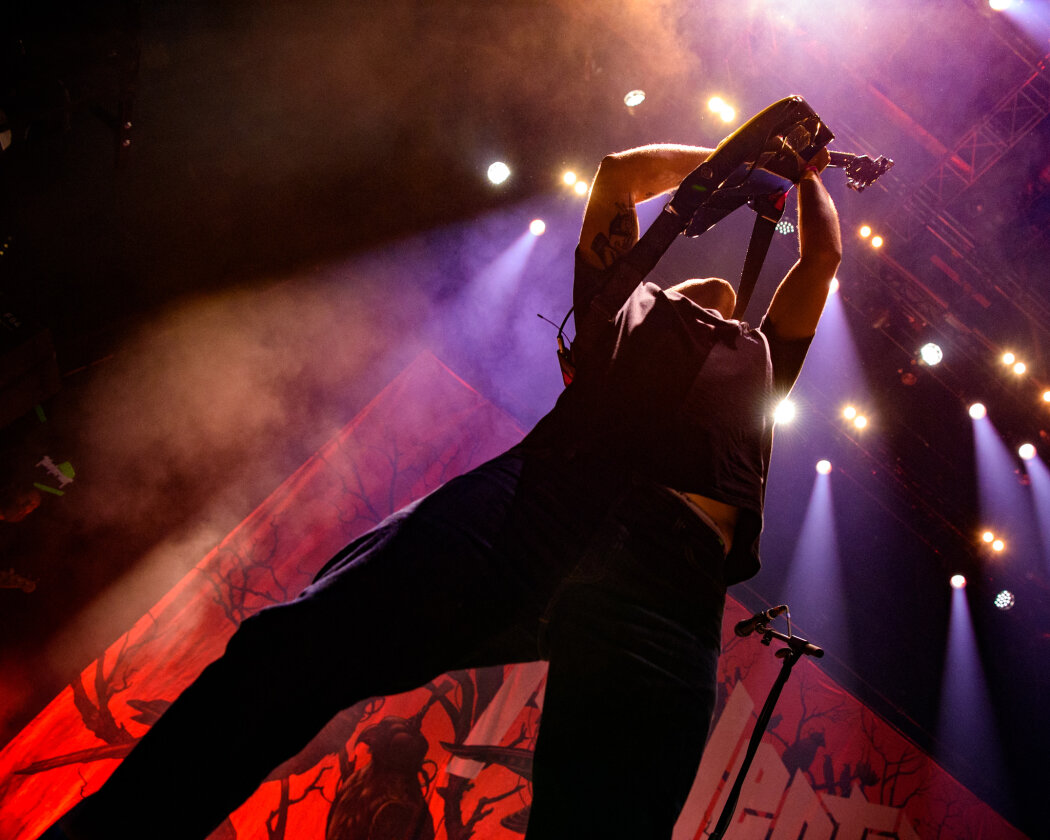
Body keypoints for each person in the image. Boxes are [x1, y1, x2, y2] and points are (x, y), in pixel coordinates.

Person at [42, 138, 840, 840]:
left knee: (612, 820)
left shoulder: (765, 359)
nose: (713, 294)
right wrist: (735, 155)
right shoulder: (622, 307)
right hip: (547, 498)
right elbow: (618, 177)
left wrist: (804, 175)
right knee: (296, 649)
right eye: (694, 290)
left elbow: (820, 259)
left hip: (673, 579)